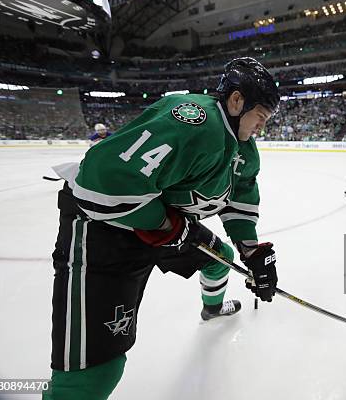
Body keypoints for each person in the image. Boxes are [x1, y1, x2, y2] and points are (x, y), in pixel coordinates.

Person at [43, 57, 280, 400]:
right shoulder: (193, 122)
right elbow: (105, 182)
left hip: (163, 222)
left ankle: (211, 307)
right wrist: (168, 226)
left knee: (220, 258)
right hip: (104, 229)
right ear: (236, 100)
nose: (262, 127)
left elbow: (240, 195)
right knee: (94, 374)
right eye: (261, 116)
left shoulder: (242, 145)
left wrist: (252, 251)